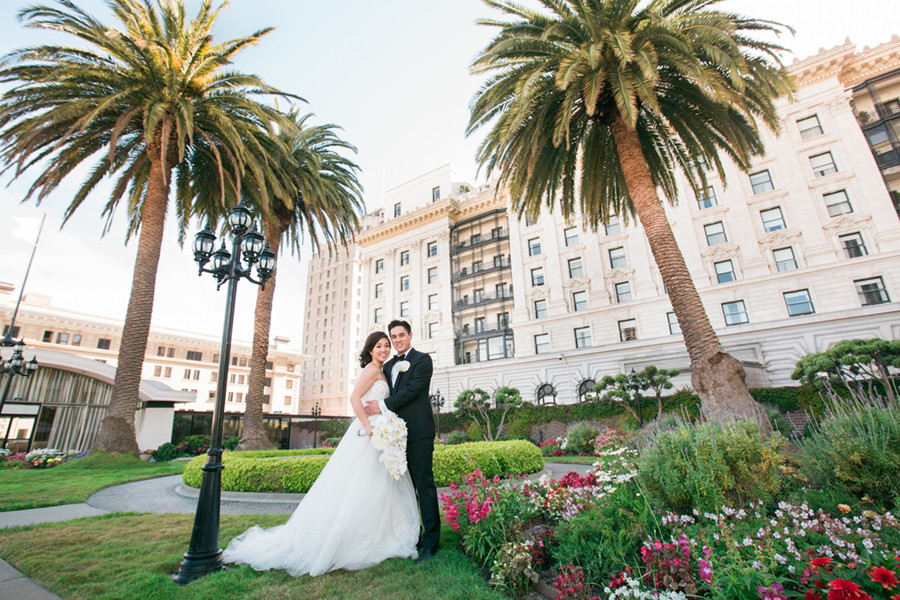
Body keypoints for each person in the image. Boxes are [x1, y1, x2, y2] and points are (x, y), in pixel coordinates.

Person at [222, 331, 419, 576]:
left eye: (386, 346)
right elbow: (354, 398)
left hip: (381, 432)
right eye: (379, 346)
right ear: (370, 349)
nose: (383, 349)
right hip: (368, 433)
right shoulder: (371, 370)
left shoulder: (383, 370)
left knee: (379, 483)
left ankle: (384, 531)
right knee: (364, 483)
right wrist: (368, 426)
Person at [365, 319, 440, 563]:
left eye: (401, 335)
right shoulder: (387, 367)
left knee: (424, 486)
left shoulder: (422, 360)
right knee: (404, 489)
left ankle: (431, 543)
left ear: (410, 335)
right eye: (393, 337)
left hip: (418, 431)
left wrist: (382, 405)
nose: (397, 340)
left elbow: (413, 391)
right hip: (395, 436)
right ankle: (411, 535)